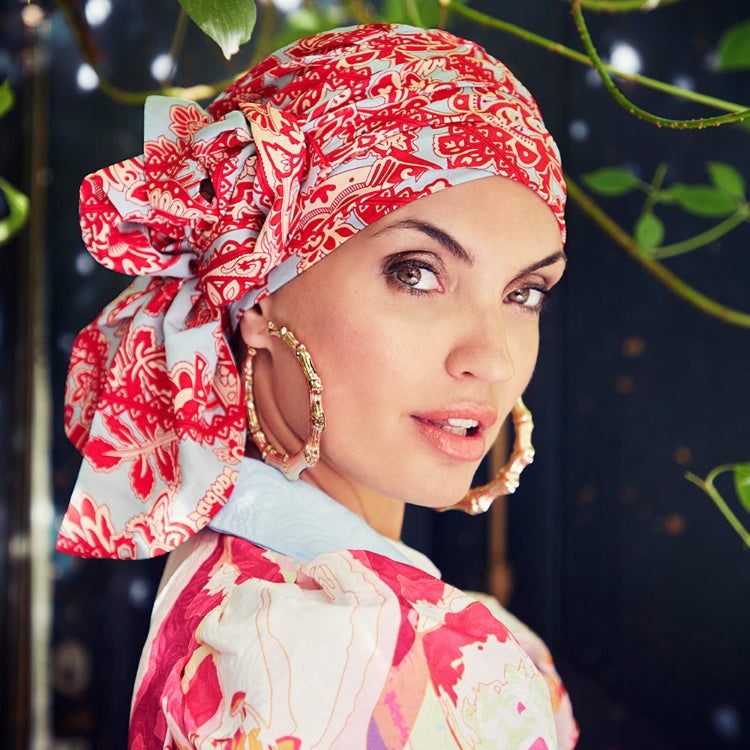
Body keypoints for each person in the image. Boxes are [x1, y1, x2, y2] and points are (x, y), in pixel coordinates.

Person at [56, 23, 578, 749]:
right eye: (415, 274)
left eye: (524, 293)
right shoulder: (335, 643)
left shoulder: (264, 596)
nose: (489, 358)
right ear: (258, 292)